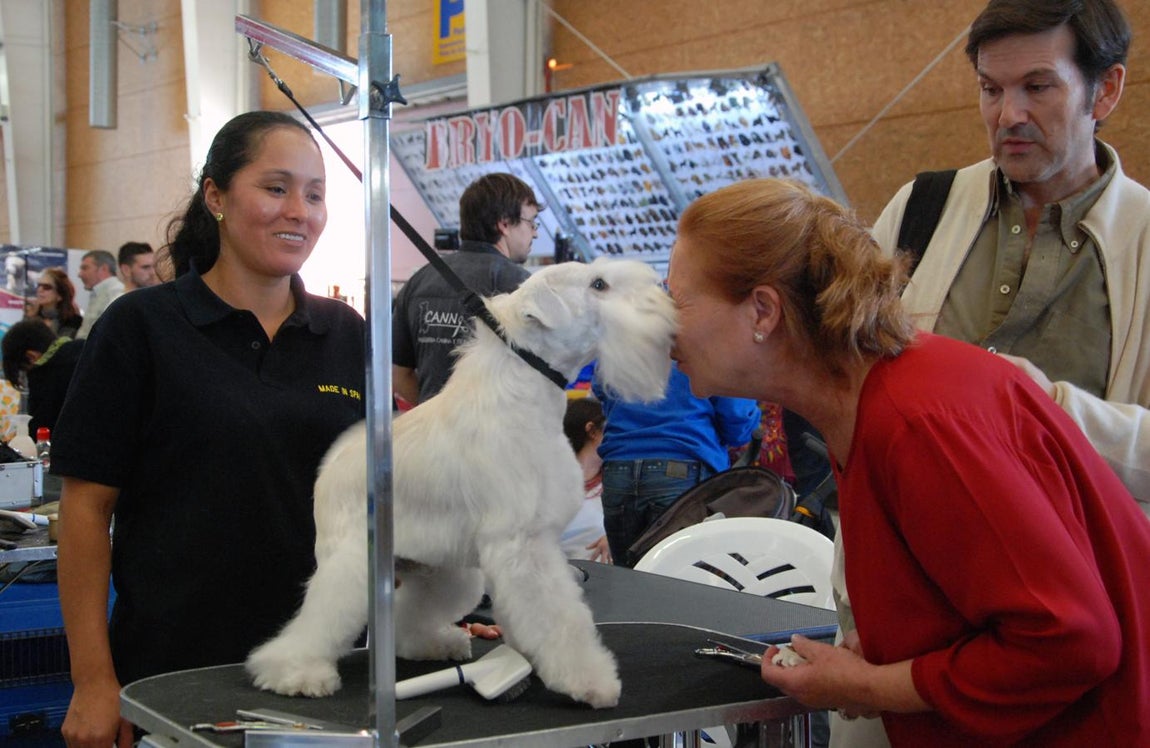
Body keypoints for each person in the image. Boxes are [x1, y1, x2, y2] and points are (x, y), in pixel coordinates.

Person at [666, 177, 1150, 746]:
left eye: (678, 301)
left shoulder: (916, 424)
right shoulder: (871, 403)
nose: (663, 325)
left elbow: (1070, 640)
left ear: (763, 312)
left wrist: (868, 687)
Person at [52, 110, 366, 748]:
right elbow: (86, 510)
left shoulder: (346, 333)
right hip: (178, 674)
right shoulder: (141, 327)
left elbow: (380, 500)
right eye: (276, 188)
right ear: (216, 196)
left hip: (326, 672)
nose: (299, 211)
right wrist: (93, 680)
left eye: (315, 193)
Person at [872, 0, 1149, 513]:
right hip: (918, 558)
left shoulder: (1145, 240)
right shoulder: (920, 209)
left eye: (1037, 87)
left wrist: (1046, 407)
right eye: (990, 89)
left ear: (1105, 90)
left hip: (1087, 576)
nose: (1008, 115)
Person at [593, 362, 760, 567]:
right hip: (682, 464)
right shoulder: (712, 337)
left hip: (618, 467)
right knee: (679, 579)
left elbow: (601, 389)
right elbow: (737, 418)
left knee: (628, 578)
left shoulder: (621, 333)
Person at [392, 172, 538, 405]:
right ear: (505, 224)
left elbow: (398, 376)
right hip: (497, 438)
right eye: (531, 223)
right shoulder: (521, 286)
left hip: (433, 435)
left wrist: (438, 415)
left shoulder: (419, 281)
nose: (536, 232)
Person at [1, 318, 84, 435]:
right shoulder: (84, 347)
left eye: (25, 370)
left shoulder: (43, 375)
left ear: (31, 356)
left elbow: (39, 431)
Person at [560, 396, 611, 563]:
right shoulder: (549, 479)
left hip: (606, 576)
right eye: (611, 429)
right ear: (592, 431)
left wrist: (614, 539)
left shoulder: (616, 482)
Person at [74, 249, 124, 339]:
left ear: (103, 269)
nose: (79, 274)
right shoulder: (98, 292)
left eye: (85, 268)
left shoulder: (117, 294)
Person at [25, 267, 83, 339]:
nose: (40, 290)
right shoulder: (32, 315)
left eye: (46, 287)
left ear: (59, 295)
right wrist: (29, 318)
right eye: (38, 285)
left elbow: (61, 346)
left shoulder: (73, 321)